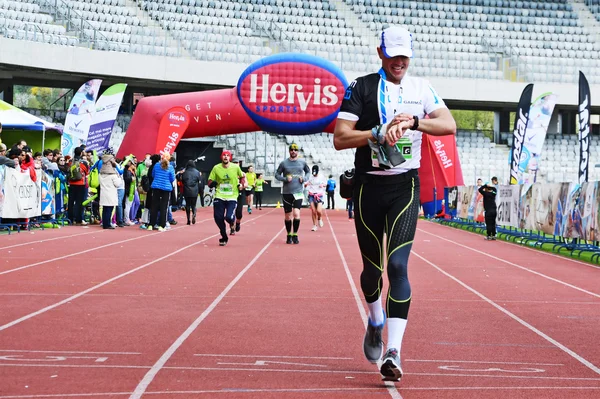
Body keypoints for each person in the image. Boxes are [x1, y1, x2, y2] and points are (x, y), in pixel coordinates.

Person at [333, 25, 456, 381]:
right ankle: (375, 322)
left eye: (405, 56)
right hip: (368, 187)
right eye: (393, 55)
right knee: (373, 272)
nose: (399, 61)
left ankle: (394, 351)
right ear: (380, 53)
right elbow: (340, 138)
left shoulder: (421, 88)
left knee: (398, 267)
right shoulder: (361, 87)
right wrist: (375, 132)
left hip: (405, 187)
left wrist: (415, 122)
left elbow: (448, 125)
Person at [275, 143, 310, 244]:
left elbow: (308, 172)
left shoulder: (302, 162)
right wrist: (285, 179)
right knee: (288, 216)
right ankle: (288, 234)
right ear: (289, 151)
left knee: (296, 213)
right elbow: (277, 174)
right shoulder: (284, 163)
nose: (293, 151)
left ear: (297, 151)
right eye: (291, 150)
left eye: (295, 150)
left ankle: (295, 234)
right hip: (287, 193)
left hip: (298, 192)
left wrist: (304, 179)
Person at [207, 150, 245, 246]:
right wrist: (212, 184)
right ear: (221, 157)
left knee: (228, 217)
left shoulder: (235, 167)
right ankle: (224, 236)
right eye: (224, 155)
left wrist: (242, 184)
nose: (226, 157)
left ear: (230, 158)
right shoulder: (216, 168)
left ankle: (232, 221)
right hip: (219, 195)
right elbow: (209, 181)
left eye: (228, 156)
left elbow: (242, 176)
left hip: (232, 196)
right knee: (217, 217)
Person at [305, 165, 326, 231]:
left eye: (315, 173)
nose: (314, 174)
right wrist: (306, 185)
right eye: (313, 173)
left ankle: (319, 218)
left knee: (319, 211)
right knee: (313, 211)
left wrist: (322, 185)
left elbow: (325, 184)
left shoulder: (321, 176)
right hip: (311, 194)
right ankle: (314, 225)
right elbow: (306, 183)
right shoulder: (310, 177)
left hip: (319, 195)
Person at [181, 160, 201, 225]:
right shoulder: (197, 172)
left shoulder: (185, 172)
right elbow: (199, 180)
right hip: (195, 190)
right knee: (193, 205)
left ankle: (188, 220)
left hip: (186, 190)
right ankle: (194, 214)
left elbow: (182, 181)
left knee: (187, 205)